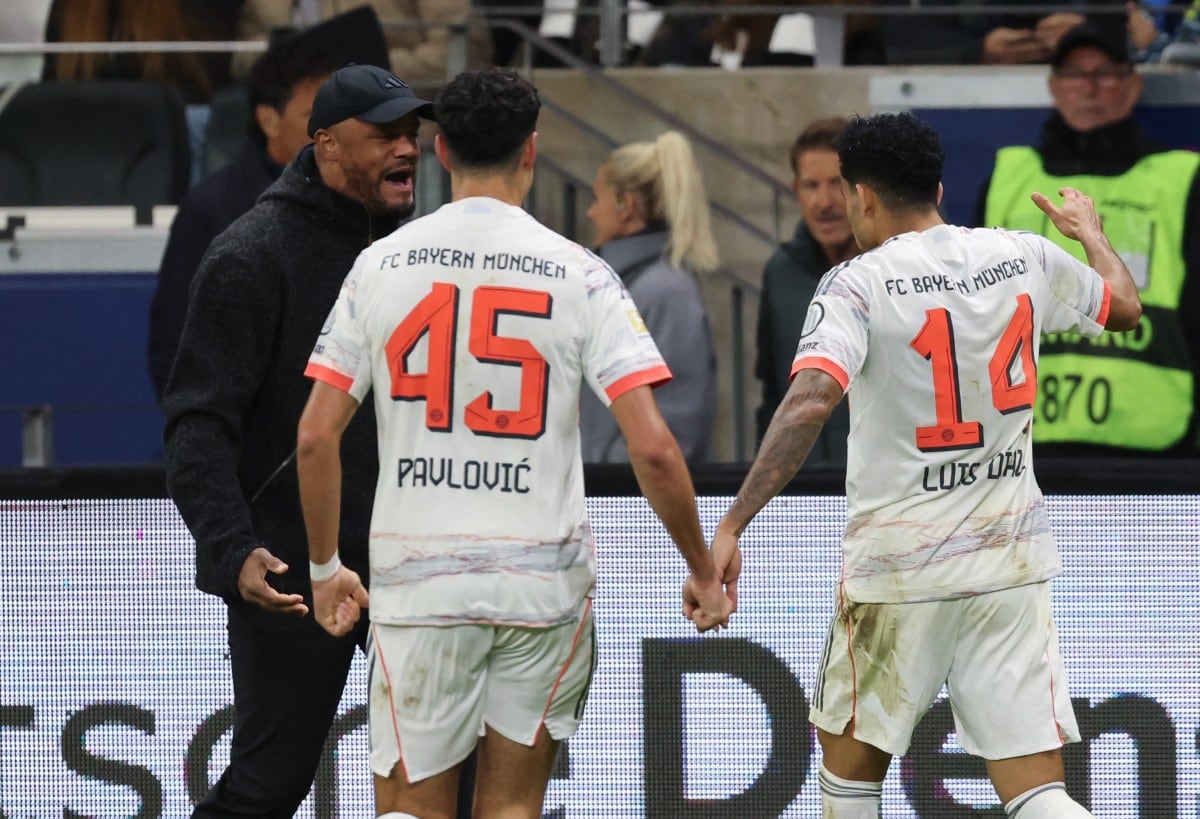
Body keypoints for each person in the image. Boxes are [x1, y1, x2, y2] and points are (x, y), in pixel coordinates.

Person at [294, 66, 734, 819]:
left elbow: (314, 436)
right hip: (541, 585)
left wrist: (326, 566)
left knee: (408, 807)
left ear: (440, 155)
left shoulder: (379, 266)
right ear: (531, 152)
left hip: (420, 584)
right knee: (510, 809)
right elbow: (655, 448)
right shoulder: (583, 274)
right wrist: (702, 566)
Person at [701, 112, 1141, 818]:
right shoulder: (1022, 255)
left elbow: (810, 400)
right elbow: (1123, 306)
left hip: (900, 566)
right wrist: (1089, 234)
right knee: (1036, 791)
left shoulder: (855, 284)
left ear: (862, 196)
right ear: (937, 185)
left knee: (850, 776)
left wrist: (732, 522)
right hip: (1010, 558)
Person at [162, 64, 446, 816]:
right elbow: (198, 423)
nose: (407, 148)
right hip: (291, 563)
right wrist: (232, 550)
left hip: (409, 560)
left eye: (413, 134)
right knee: (268, 785)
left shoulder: (417, 253)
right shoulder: (249, 255)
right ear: (324, 143)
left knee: (454, 780)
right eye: (384, 134)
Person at [978, 22, 1200, 456]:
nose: (1090, 88)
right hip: (1021, 439)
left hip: (1155, 438)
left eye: (1105, 73)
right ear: (1054, 87)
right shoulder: (1009, 175)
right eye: (1076, 75)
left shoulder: (1180, 177)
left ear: (1133, 85)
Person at [146, 36, 336, 403]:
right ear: (269, 119)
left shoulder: (364, 201)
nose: (331, 133)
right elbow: (173, 345)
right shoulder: (212, 210)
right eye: (314, 116)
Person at [579, 130, 718, 463]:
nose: (590, 213)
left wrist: (607, 480)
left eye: (597, 198)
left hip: (627, 504)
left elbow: (673, 429)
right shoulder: (628, 284)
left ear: (625, 205)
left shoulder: (667, 293)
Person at [755, 117, 857, 464]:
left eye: (837, 184)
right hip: (805, 490)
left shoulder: (900, 266)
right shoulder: (779, 272)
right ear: (795, 189)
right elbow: (772, 393)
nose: (824, 202)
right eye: (811, 186)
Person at [235, 0, 492, 88]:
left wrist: (366, 70)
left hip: (395, 120)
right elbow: (239, 57)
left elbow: (465, 49)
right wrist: (289, 53)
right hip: (291, 124)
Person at [42, 0, 239, 104]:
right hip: (87, 143)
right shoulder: (70, 9)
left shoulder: (194, 8)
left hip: (171, 140)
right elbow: (55, 86)